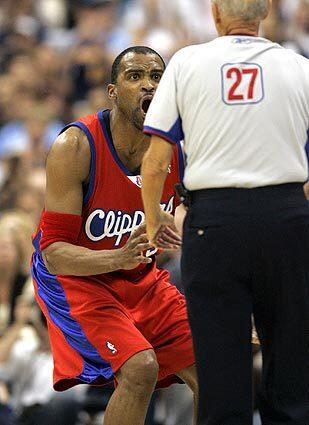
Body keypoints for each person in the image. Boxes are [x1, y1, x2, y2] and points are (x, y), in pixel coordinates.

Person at [141, 1, 309, 424]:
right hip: (287, 219)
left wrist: (153, 217)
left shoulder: (187, 63)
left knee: (220, 372)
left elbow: (156, 159)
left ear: (215, 13)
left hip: (214, 224)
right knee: (291, 366)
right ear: (266, 11)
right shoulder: (300, 68)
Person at [31, 46, 198, 425]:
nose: (148, 86)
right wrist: (118, 258)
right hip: (75, 280)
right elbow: (53, 252)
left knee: (217, 366)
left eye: (156, 77)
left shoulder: (178, 150)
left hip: (140, 276)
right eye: (135, 76)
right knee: (140, 369)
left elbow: (198, 214)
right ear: (113, 91)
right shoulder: (74, 147)